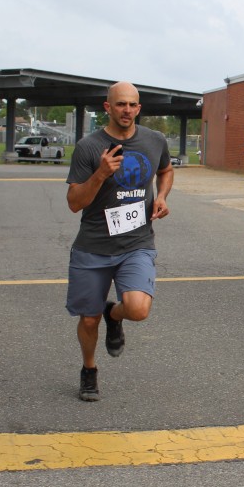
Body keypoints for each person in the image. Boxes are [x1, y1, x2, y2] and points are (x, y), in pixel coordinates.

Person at [65, 81, 173, 402]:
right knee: (88, 319)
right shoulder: (88, 147)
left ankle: (114, 315)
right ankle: (89, 369)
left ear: (139, 108)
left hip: (136, 243)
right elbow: (74, 203)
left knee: (138, 309)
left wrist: (162, 196)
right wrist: (100, 173)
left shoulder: (154, 140)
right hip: (94, 245)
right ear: (107, 107)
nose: (127, 110)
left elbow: (166, 170)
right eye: (120, 104)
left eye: (132, 104)